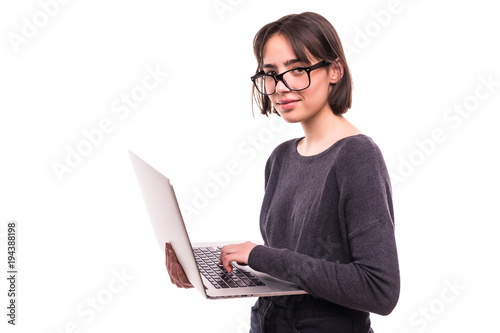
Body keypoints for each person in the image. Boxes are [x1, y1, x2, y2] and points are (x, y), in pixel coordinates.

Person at [165, 12, 400, 333]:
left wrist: (261, 256)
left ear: (334, 71)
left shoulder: (357, 155)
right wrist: (215, 276)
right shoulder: (281, 158)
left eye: (298, 69)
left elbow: (379, 289)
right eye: (271, 73)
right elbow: (296, 269)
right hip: (267, 322)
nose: (281, 86)